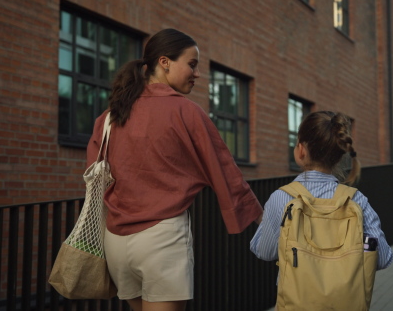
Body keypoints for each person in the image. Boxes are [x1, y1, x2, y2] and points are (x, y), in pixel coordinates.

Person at [86, 28, 263, 311]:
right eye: (192, 64)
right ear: (165, 62)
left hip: (115, 241)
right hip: (161, 239)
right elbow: (224, 170)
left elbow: (96, 177)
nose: (197, 73)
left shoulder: (109, 117)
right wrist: (262, 218)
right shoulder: (186, 111)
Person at [250, 111, 393, 279]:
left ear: (301, 150)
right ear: (338, 155)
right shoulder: (356, 200)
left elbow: (265, 252)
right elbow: (383, 258)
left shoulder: (281, 198)